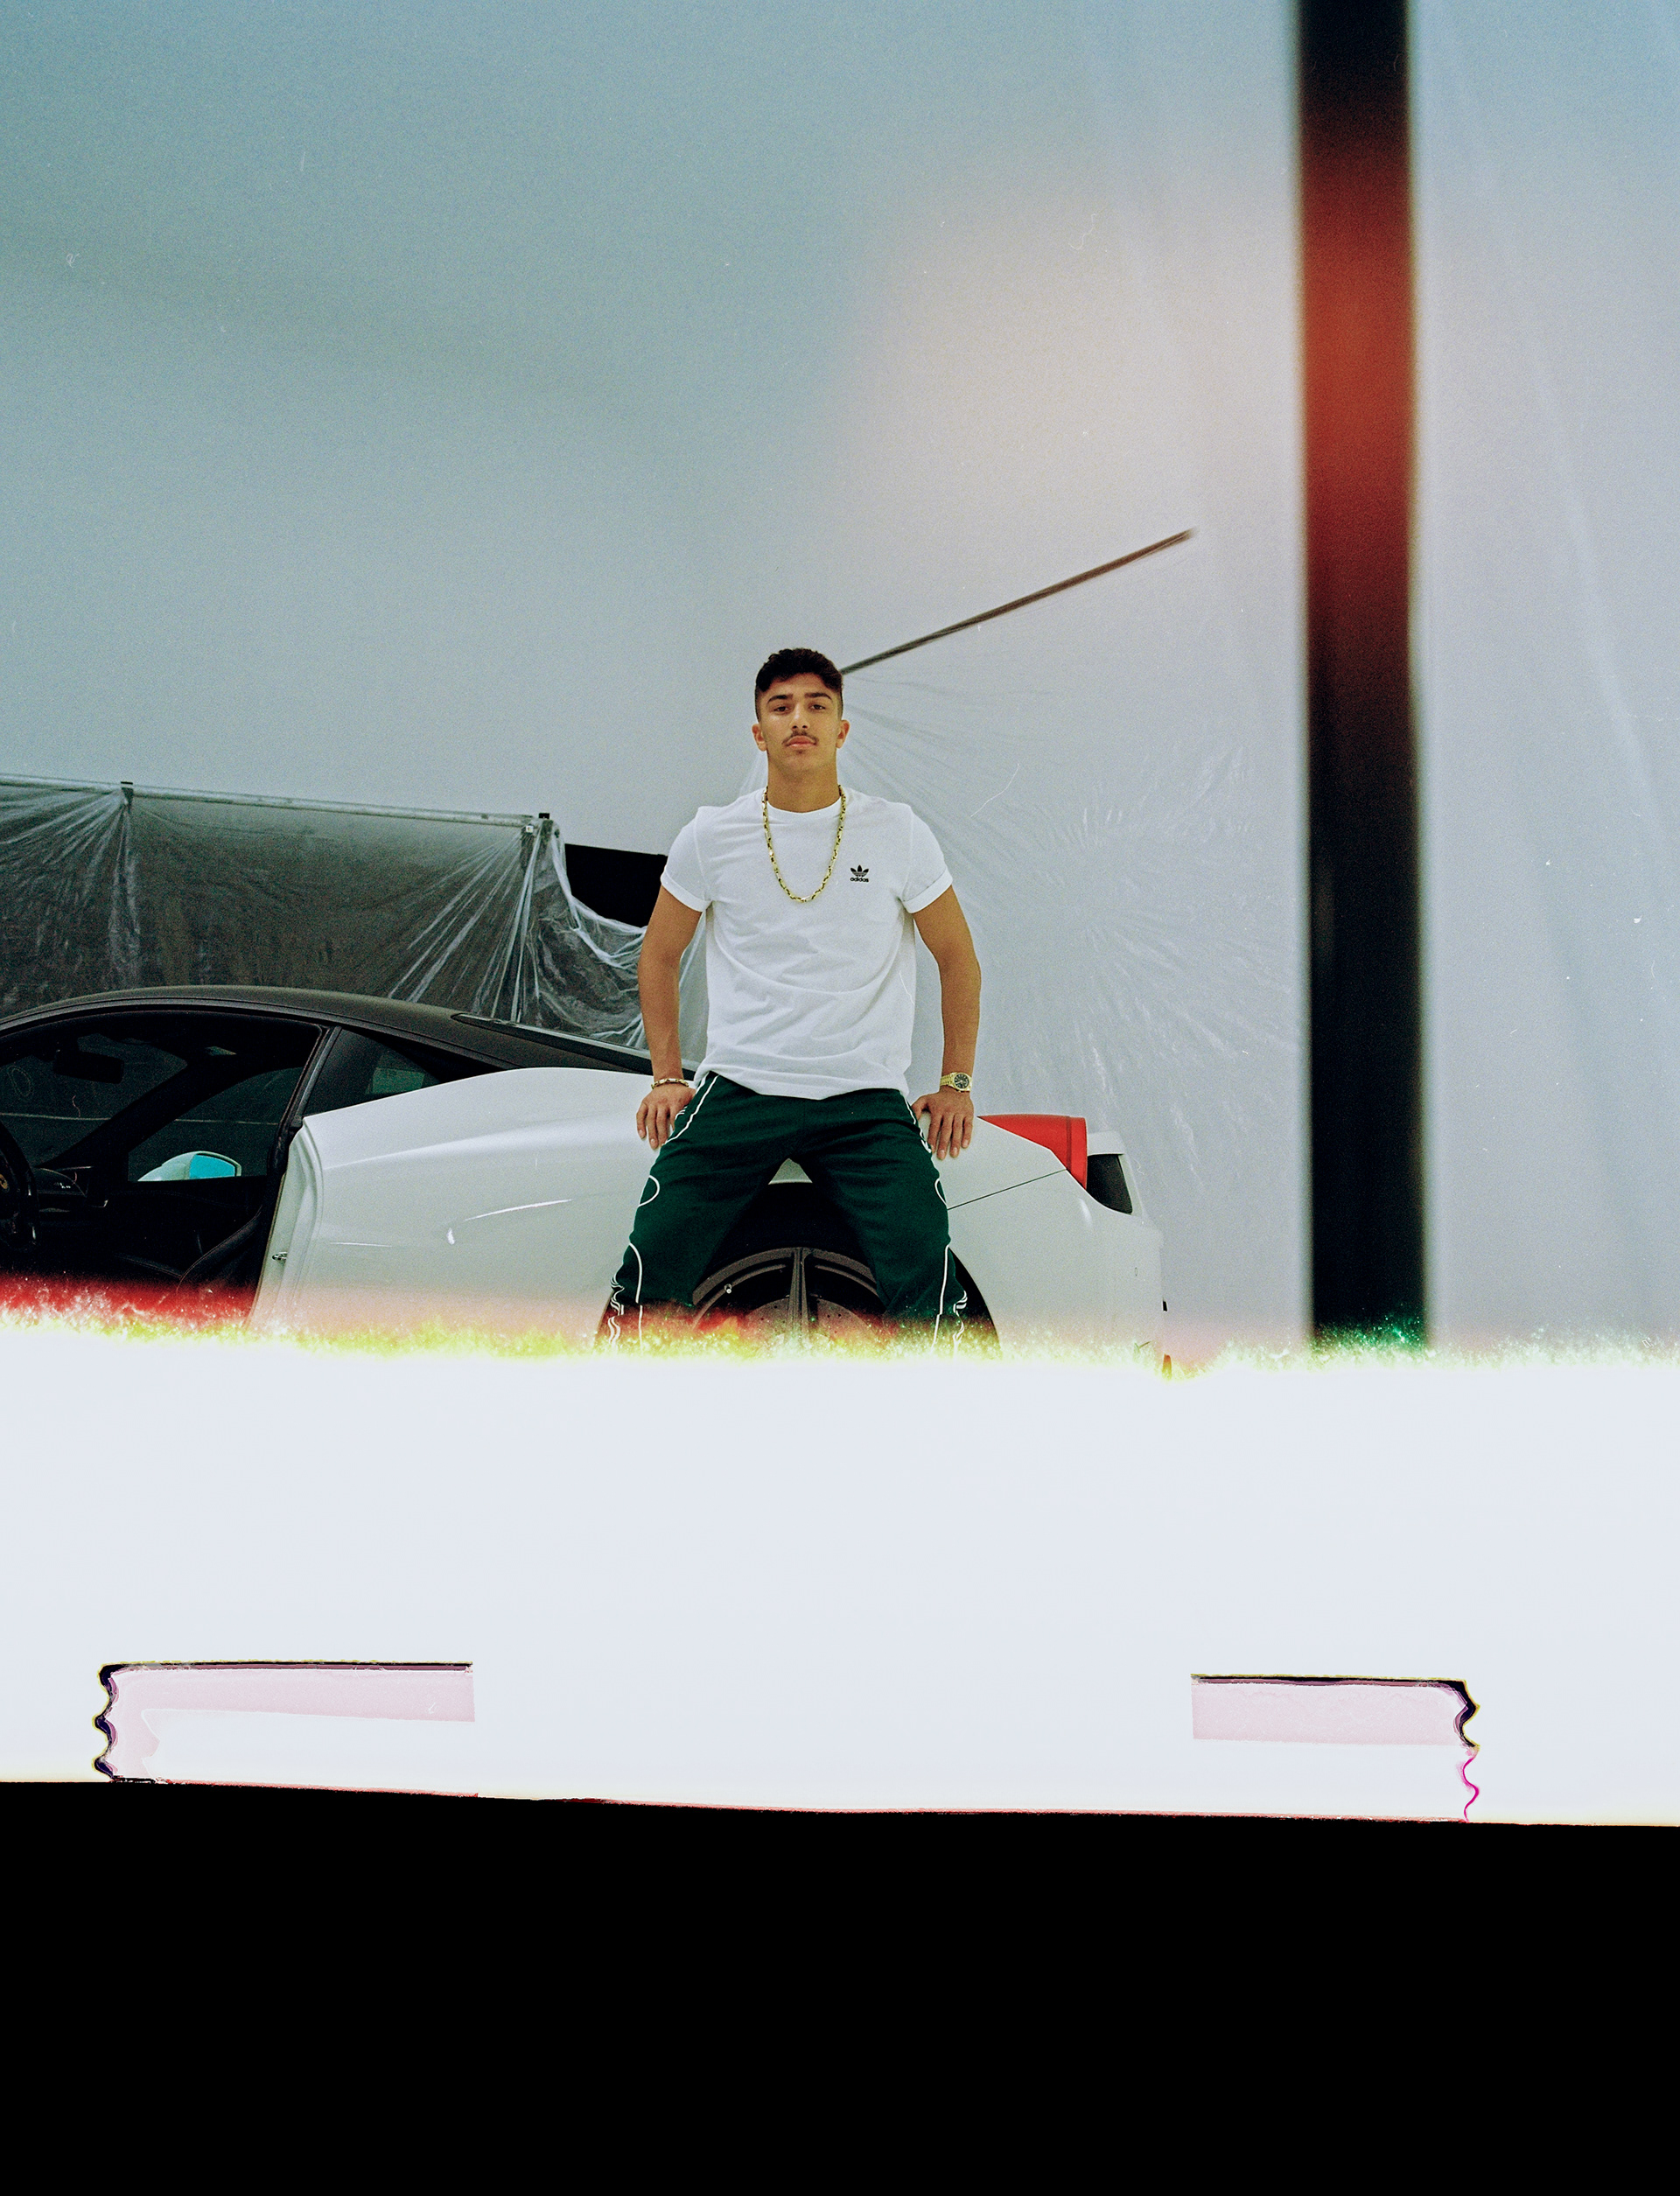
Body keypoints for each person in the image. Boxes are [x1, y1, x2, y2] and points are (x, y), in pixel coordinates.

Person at [606, 646, 982, 1340]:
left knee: (925, 1261)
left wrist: (955, 1082)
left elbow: (957, 957)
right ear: (759, 733)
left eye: (817, 705)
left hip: (863, 1096)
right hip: (743, 1088)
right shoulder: (711, 835)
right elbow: (658, 955)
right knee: (653, 1255)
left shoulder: (898, 832)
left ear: (842, 729)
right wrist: (666, 1075)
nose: (799, 719)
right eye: (781, 707)